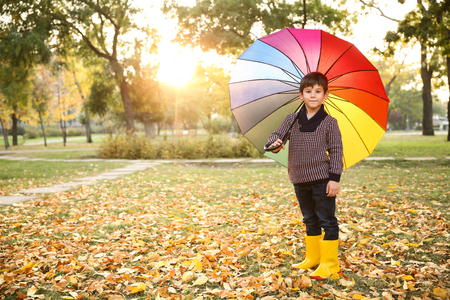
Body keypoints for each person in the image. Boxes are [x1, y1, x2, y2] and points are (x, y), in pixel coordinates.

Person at [266, 72, 343, 280]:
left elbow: (336, 150)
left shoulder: (329, 122)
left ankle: (329, 264)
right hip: (299, 178)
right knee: (309, 218)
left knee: (326, 219)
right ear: (301, 95)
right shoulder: (292, 119)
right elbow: (276, 136)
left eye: (318, 91)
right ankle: (314, 257)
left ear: (325, 95)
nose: (313, 95)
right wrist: (274, 144)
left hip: (322, 180)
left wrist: (334, 178)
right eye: (308, 91)